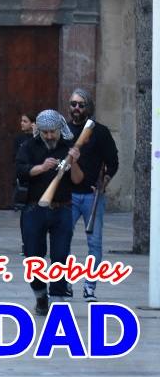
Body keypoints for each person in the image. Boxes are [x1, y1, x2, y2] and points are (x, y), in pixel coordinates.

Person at [16, 108, 84, 315]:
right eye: (45, 132)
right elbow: (21, 171)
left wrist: (74, 161)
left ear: (59, 130)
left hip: (62, 209)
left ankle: (57, 300)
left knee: (61, 256)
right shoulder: (28, 146)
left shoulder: (67, 148)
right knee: (32, 257)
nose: (49, 136)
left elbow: (78, 180)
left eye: (53, 131)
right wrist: (42, 167)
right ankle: (40, 295)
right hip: (34, 209)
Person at [67, 89, 118, 300]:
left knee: (94, 244)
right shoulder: (65, 131)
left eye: (81, 105)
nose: (76, 109)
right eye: (73, 104)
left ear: (89, 107)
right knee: (62, 241)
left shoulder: (101, 132)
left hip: (92, 196)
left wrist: (104, 181)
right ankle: (65, 283)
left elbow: (113, 162)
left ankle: (90, 286)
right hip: (68, 197)